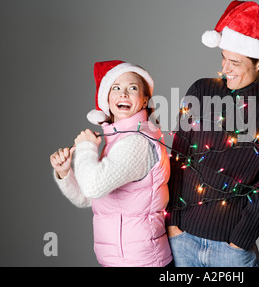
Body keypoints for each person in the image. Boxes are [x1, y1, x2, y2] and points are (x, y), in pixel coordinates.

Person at [166, 0, 259, 267]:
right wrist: (172, 223)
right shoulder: (202, 91)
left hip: (230, 250)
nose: (225, 68)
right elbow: (177, 159)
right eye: (223, 58)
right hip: (182, 240)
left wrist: (239, 241)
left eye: (235, 62)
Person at [50, 60, 172, 267]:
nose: (123, 94)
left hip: (141, 262)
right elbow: (87, 197)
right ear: (107, 99)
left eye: (132, 88)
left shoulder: (136, 142)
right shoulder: (118, 140)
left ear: (144, 101)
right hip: (121, 261)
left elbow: (93, 186)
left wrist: (86, 147)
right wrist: (65, 173)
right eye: (116, 88)